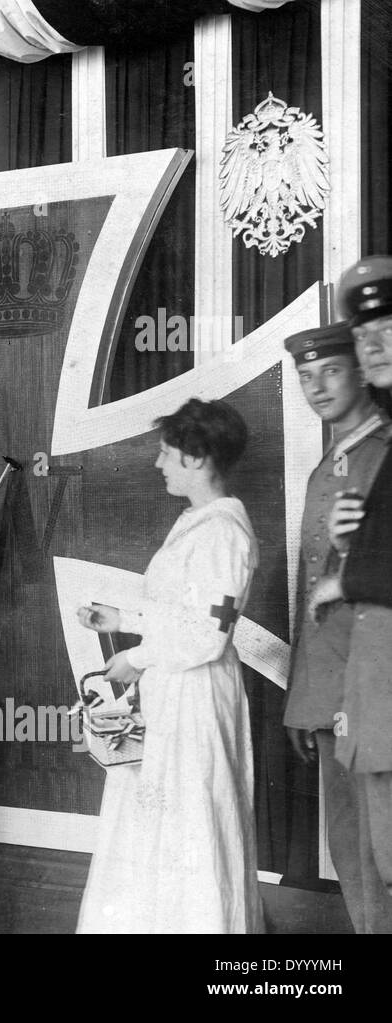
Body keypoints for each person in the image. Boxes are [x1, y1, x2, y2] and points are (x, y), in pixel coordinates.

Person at [76, 397, 260, 933]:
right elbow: (182, 613)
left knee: (193, 820)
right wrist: (123, 619)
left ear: (197, 457)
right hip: (174, 689)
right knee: (157, 815)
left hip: (197, 696)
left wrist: (134, 658)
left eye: (165, 452)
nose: (158, 464)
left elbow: (207, 634)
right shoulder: (198, 522)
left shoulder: (224, 532)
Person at [281, 321, 392, 933]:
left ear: (361, 370)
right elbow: (312, 592)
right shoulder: (332, 462)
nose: (317, 387)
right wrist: (306, 699)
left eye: (330, 371)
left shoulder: (383, 455)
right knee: (352, 849)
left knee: (382, 851)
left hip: (376, 685)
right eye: (305, 377)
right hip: (333, 690)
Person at [310, 255, 392, 907]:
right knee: (366, 854)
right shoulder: (339, 462)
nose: (375, 346)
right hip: (357, 690)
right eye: (365, 337)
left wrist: (350, 573)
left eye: (389, 329)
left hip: (376, 687)